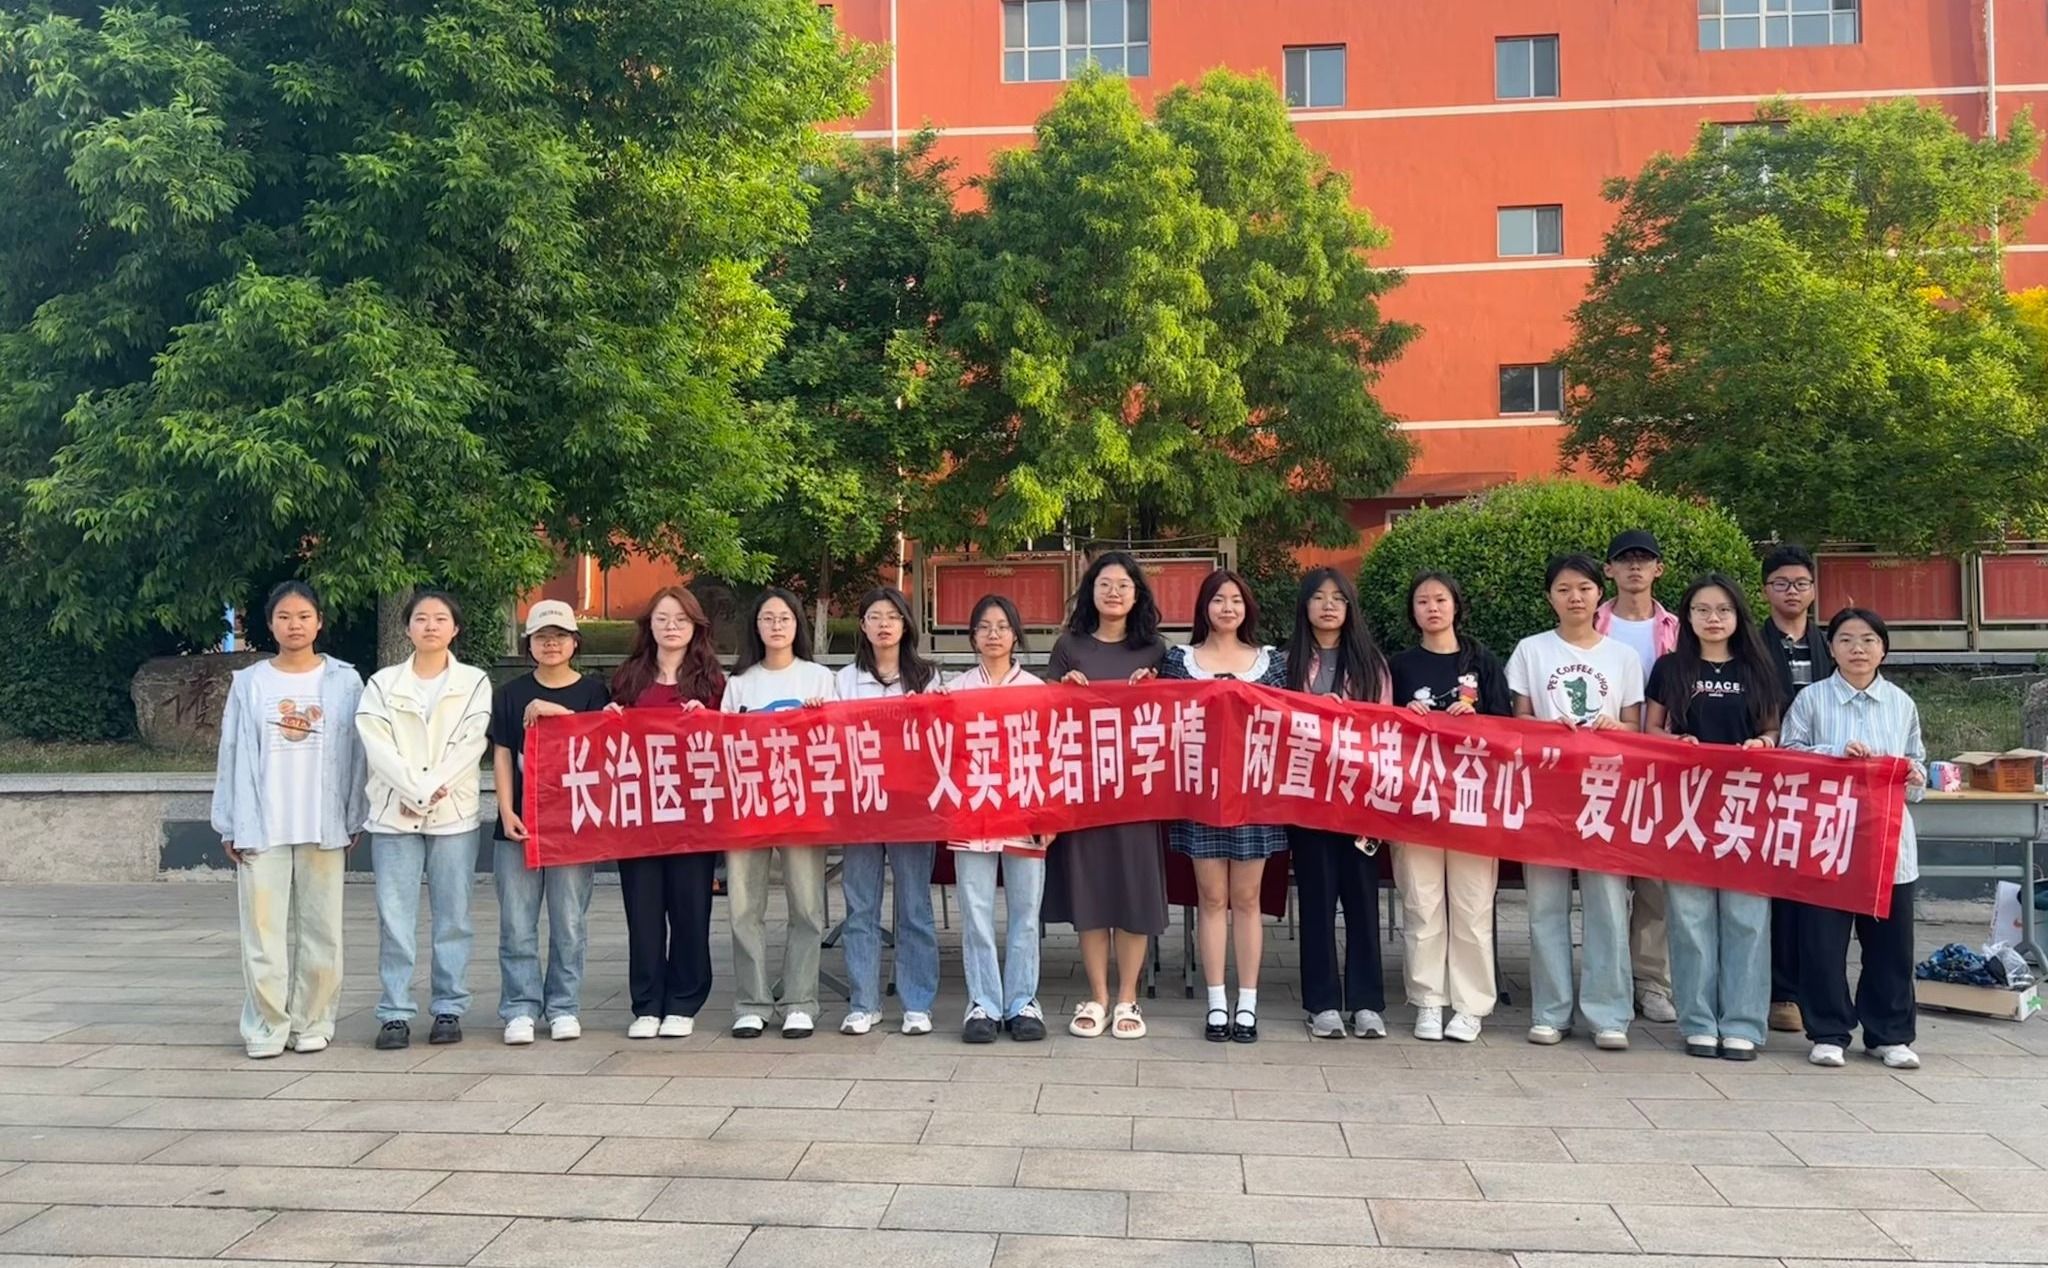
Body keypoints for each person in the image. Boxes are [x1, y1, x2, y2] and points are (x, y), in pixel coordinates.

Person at [211, 581, 367, 1059]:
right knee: (262, 933)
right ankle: (266, 1025)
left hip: (323, 823)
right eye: (284, 617)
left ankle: (313, 1021)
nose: (294, 625)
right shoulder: (250, 683)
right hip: (264, 824)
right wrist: (230, 822)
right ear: (270, 624)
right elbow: (231, 751)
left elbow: (358, 754)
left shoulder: (345, 681)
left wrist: (354, 816)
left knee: (323, 931)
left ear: (319, 622)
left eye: (303, 616)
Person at [1508, 554, 1645, 1050]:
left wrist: (1615, 726)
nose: (1575, 597)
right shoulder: (1531, 650)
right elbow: (1517, 722)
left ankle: (1609, 1014)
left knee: (1607, 904)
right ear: (1550, 597)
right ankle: (1550, 1011)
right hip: (1546, 794)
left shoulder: (1623, 657)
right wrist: (1545, 727)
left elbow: (1635, 727)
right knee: (1545, 905)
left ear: (1598, 594)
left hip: (1603, 793)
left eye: (1584, 588)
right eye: (1564, 589)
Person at [1781, 607, 1927, 1071]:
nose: (1857, 649)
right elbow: (1789, 758)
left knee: (1891, 945)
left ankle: (1890, 1034)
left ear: (1883, 649)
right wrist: (1834, 754)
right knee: (1822, 944)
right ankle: (1828, 1031)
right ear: (1831, 649)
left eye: (1868, 640)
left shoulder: (1901, 703)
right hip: (1828, 839)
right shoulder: (1811, 700)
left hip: (1888, 844)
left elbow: (1917, 763)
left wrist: (1915, 776)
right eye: (1846, 640)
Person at [1645, 574, 1784, 1061]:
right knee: (1689, 916)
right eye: (1702, 610)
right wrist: (1674, 742)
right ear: (1687, 617)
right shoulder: (1669, 668)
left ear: (1738, 616)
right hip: (1686, 805)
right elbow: (1651, 729)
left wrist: (1763, 743)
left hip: (1747, 807)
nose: (1713, 619)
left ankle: (1743, 1023)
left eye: (1723, 610)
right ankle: (1699, 1022)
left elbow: (1773, 730)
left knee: (1747, 917)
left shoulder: (1758, 668)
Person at [357, 590, 493, 1050]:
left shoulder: (474, 682)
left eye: (440, 619)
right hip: (393, 815)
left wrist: (429, 790)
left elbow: (471, 744)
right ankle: (395, 1011)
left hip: (453, 814)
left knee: (453, 916)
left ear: (455, 629)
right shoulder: (382, 684)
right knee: (394, 918)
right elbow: (377, 745)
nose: (430, 626)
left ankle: (449, 1007)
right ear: (407, 628)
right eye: (421, 618)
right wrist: (414, 790)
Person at [1044, 551, 1169, 1041]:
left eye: (1123, 585)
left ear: (1137, 595)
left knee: (1133, 892)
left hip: (1138, 789)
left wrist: (1156, 689)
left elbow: (1179, 718)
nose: (1113, 592)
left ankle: (1127, 997)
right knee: (1092, 891)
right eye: (1104, 584)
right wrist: (1063, 689)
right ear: (1090, 592)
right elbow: (1044, 716)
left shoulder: (1155, 650)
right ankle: (1096, 996)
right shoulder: (1069, 646)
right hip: (1084, 789)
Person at [1160, 569, 1288, 1043]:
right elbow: (1162, 720)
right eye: (1218, 599)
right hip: (1200, 794)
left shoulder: (1271, 662)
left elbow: (1290, 723)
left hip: (1254, 795)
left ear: (1247, 607)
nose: (1227, 607)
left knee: (1248, 899)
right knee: (1211, 898)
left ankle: (1247, 1002)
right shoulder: (1180, 661)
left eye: (1235, 599)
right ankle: (1216, 1002)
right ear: (1204, 608)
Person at [1388, 572, 1511, 1043]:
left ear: (1456, 605)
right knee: (1421, 903)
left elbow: (1509, 729)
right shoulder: (1399, 666)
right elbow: (1379, 729)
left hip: (1472, 802)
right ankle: (1427, 1001)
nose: (1432, 608)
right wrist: (1404, 717)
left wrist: (1477, 719)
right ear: (1412, 611)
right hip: (1416, 801)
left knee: (1472, 905)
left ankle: (1470, 1006)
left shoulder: (1482, 662)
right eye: (1422, 601)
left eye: (1440, 599)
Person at [488, 600, 608, 1045]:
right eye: (542, 637)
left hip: (574, 826)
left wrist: (556, 712)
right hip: (519, 824)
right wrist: (506, 810)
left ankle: (563, 1006)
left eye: (559, 636)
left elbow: (602, 742)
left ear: (575, 642)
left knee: (569, 921)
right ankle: (519, 1007)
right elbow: (503, 753)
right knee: (516, 923)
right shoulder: (509, 693)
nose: (551, 644)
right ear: (529, 644)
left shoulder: (594, 692)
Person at [609, 587, 726, 1039]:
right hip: (639, 815)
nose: (671, 626)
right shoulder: (629, 677)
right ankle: (646, 1003)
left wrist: (709, 721)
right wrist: (610, 718)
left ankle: (683, 1000)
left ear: (696, 626)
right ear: (649, 625)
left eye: (680, 619)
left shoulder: (712, 682)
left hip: (693, 816)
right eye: (662, 618)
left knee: (690, 909)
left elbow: (731, 741)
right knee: (642, 913)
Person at [722, 587, 838, 1039]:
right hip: (748, 806)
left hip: (802, 806)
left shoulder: (819, 678)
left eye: (784, 618)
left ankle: (800, 1000)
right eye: (767, 618)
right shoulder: (739, 682)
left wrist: (819, 718)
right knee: (744, 907)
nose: (776, 625)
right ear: (756, 626)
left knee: (806, 906)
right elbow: (722, 744)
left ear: (797, 625)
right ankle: (751, 1002)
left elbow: (837, 742)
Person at [1283, 567, 1392, 1040]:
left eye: (1338, 598)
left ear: (1350, 608)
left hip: (1359, 798)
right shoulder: (1286, 664)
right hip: (1307, 798)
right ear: (1304, 606)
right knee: (1317, 899)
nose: (1328, 606)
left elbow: (1386, 732)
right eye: (1319, 597)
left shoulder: (1372, 665)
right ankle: (1322, 1003)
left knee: (1362, 901)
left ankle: (1367, 1003)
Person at [836, 587, 941, 1037]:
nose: (884, 624)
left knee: (914, 906)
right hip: (860, 804)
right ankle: (864, 1002)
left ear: (905, 625)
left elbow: (940, 735)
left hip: (911, 805)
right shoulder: (843, 680)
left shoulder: (927, 676)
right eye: (875, 617)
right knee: (860, 906)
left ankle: (917, 1003)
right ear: (862, 626)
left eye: (892, 617)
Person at [947, 594, 1050, 1044]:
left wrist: (1049, 815)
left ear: (1015, 635)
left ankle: (1023, 1001)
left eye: (1002, 626)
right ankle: (983, 1002)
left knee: (1026, 910)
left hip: (1025, 810)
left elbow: (1051, 756)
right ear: (972, 637)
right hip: (971, 810)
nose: (993, 635)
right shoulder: (953, 690)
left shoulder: (1037, 689)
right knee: (976, 910)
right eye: (985, 627)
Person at [1596, 528, 1679, 1025]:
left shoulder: (1678, 629)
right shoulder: (1591, 621)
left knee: (1655, 883)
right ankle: (1608, 984)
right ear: (1609, 570)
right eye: (1624, 559)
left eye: (1643, 559)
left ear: (1657, 569)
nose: (1634, 567)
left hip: (1661, 767)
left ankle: (1651, 982)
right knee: (1604, 883)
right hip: (1601, 766)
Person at [1761, 544, 1832, 1035]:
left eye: (1801, 583)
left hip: (1825, 781)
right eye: (1782, 583)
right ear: (1765, 589)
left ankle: (1818, 989)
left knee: (1820, 884)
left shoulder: (1834, 643)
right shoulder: (1750, 643)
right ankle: (1781, 991)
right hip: (1770, 780)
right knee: (1779, 889)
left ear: (1813, 589)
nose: (1792, 591)